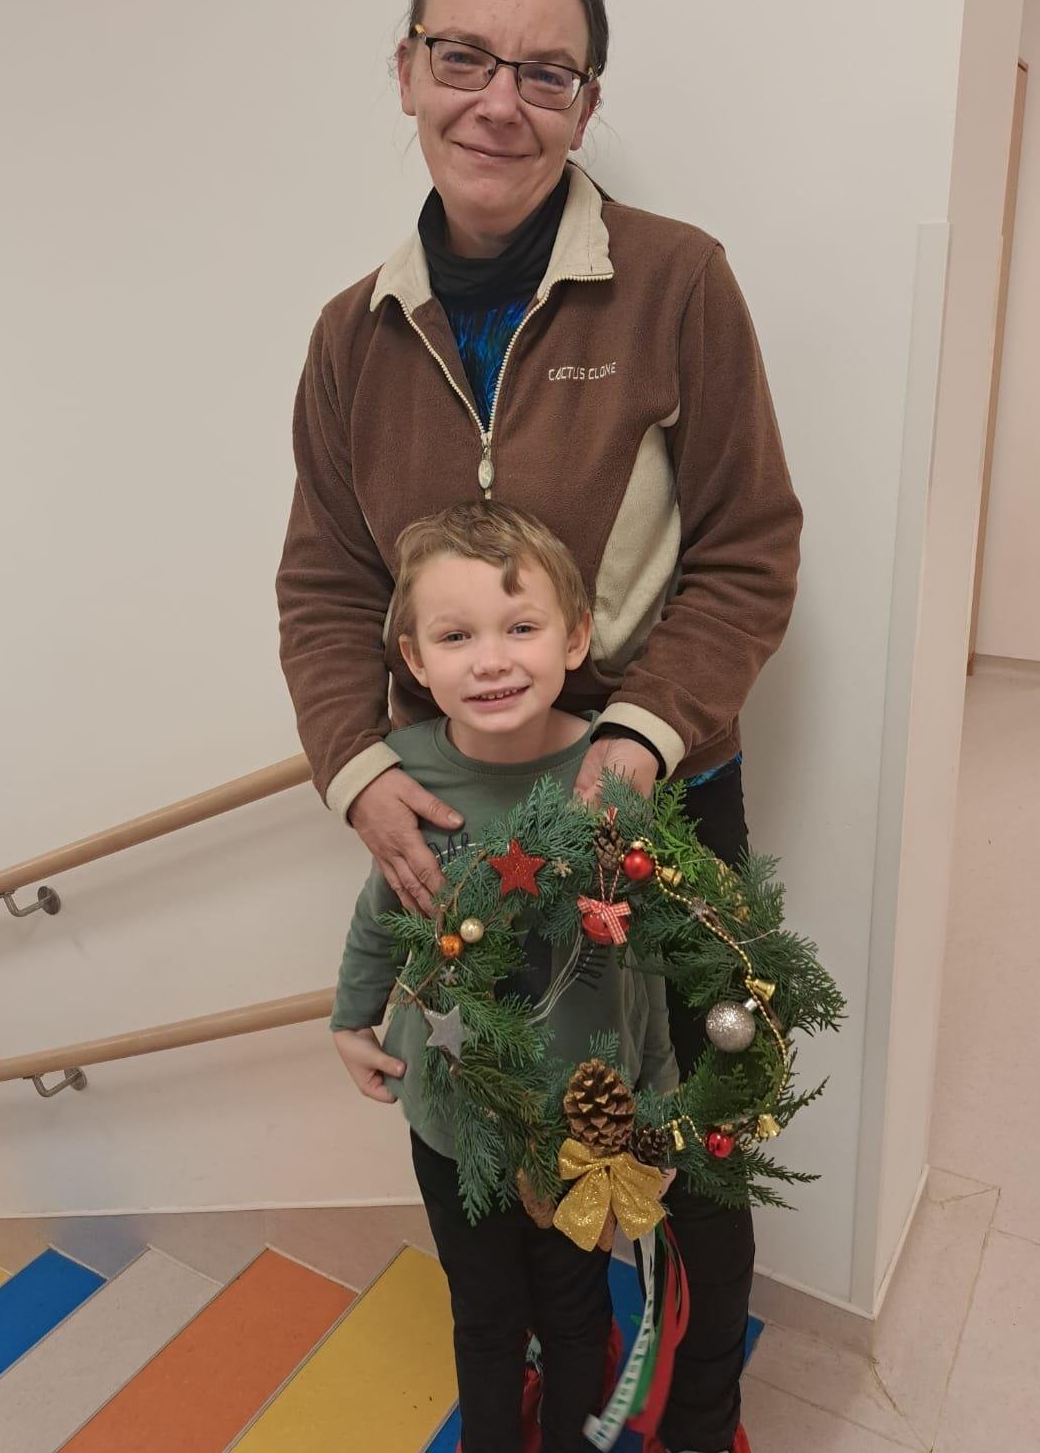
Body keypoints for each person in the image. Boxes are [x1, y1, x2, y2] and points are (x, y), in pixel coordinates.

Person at [277, 0, 801, 1453]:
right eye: (463, 57)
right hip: (458, 826)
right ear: (406, 71)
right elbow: (325, 587)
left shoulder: (678, 282)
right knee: (497, 1129)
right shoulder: (349, 338)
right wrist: (361, 773)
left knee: (687, 1145)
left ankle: (696, 1424)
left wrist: (636, 738)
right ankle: (542, 1395)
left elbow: (750, 550)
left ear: (586, 100)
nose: (499, 101)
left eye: (546, 71)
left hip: (662, 806)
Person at [329, 501, 678, 1453]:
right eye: (457, 636)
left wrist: (656, 1098)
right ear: (413, 657)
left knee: (574, 1311)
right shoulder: (401, 778)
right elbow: (382, 910)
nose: (490, 660)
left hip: (585, 1123)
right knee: (483, 1316)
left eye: (520, 628)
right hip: (452, 1121)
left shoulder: (615, 776)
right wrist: (350, 1021)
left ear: (576, 638)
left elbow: (644, 956)